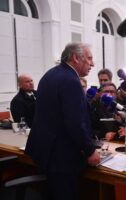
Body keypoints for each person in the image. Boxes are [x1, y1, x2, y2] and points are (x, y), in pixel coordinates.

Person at [25, 43, 100, 200]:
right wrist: (90, 150)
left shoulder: (50, 74)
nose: (92, 63)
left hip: (46, 151)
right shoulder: (71, 81)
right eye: (89, 58)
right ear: (75, 58)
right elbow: (74, 122)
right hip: (61, 156)